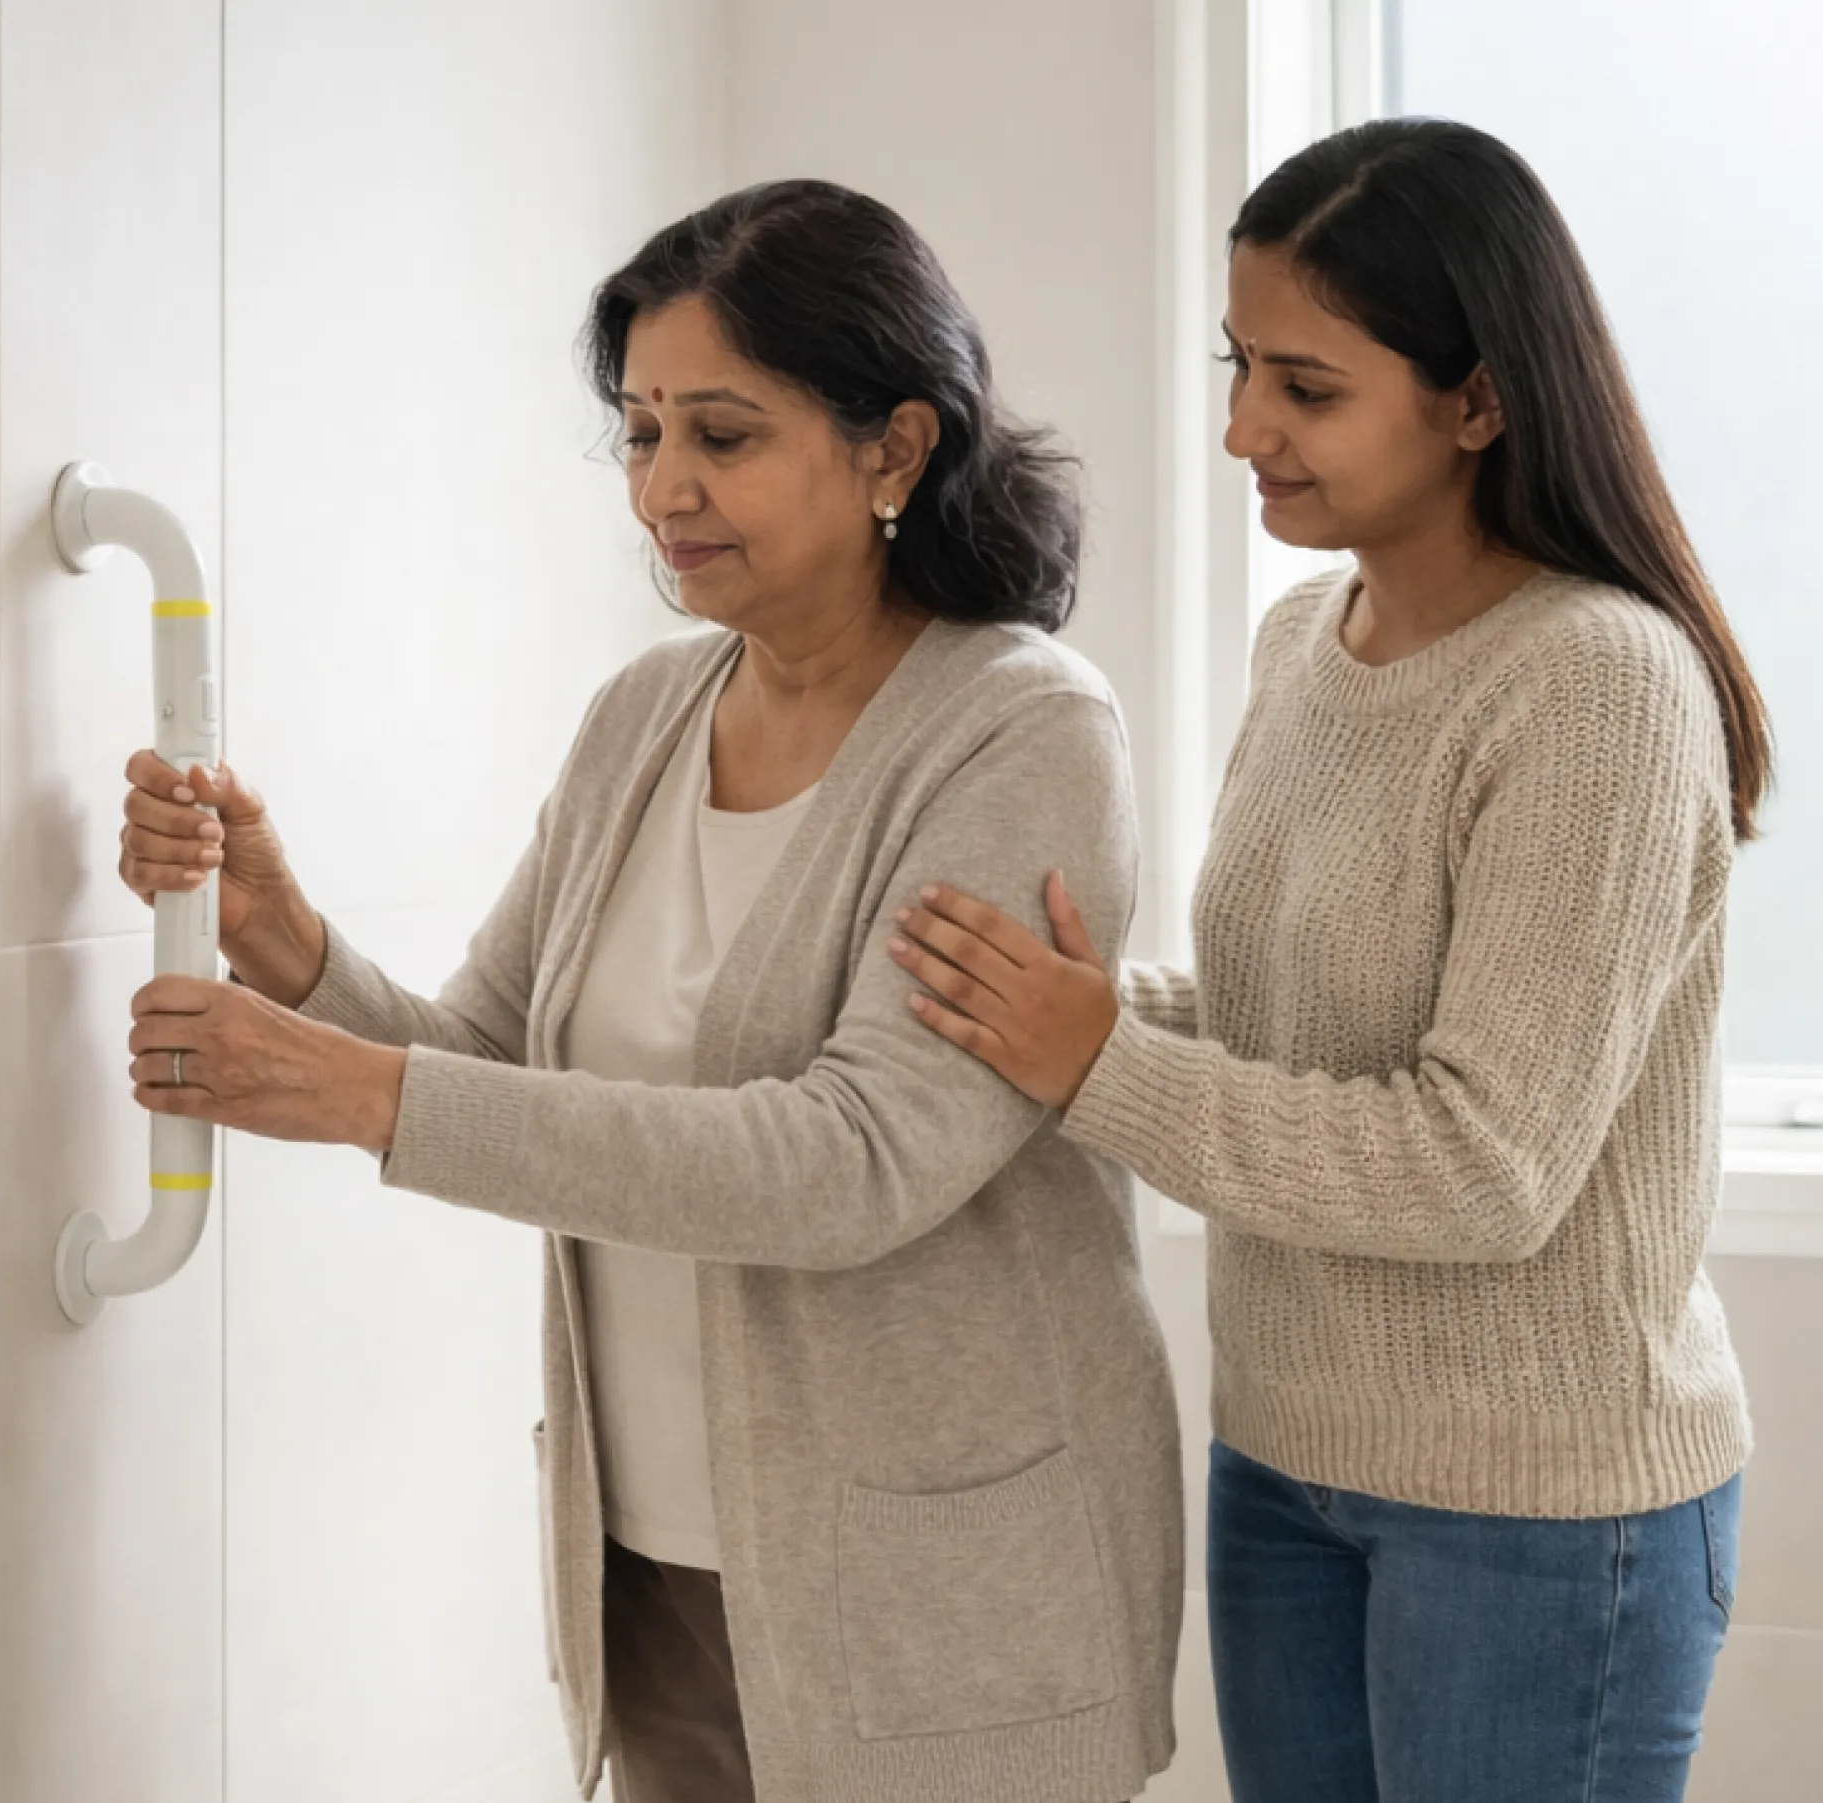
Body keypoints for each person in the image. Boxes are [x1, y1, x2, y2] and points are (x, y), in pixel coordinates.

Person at [113, 179, 1180, 1803]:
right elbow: (486, 1055)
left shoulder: (1021, 729)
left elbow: (852, 1162)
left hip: (943, 1594)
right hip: (656, 1567)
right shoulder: (643, 718)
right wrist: (290, 944)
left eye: (725, 436)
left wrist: (357, 1096)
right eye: (640, 433)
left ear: (897, 447)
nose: (664, 489)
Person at [884, 119, 1774, 1803]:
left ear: (1480, 402)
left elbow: (1483, 1161)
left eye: (1306, 385)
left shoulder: (1596, 685)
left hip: (1544, 1513)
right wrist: (1032, 1008)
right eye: (1240, 368)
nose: (1242, 430)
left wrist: (1097, 1059)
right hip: (1286, 1463)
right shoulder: (1309, 639)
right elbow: (1293, 1025)